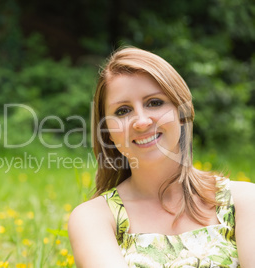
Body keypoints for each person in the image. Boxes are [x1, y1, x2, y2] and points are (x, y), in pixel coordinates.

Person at [68, 47, 255, 267]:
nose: (141, 121)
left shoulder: (243, 202)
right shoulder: (94, 219)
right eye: (123, 111)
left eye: (154, 103)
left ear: (182, 112)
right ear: (106, 131)